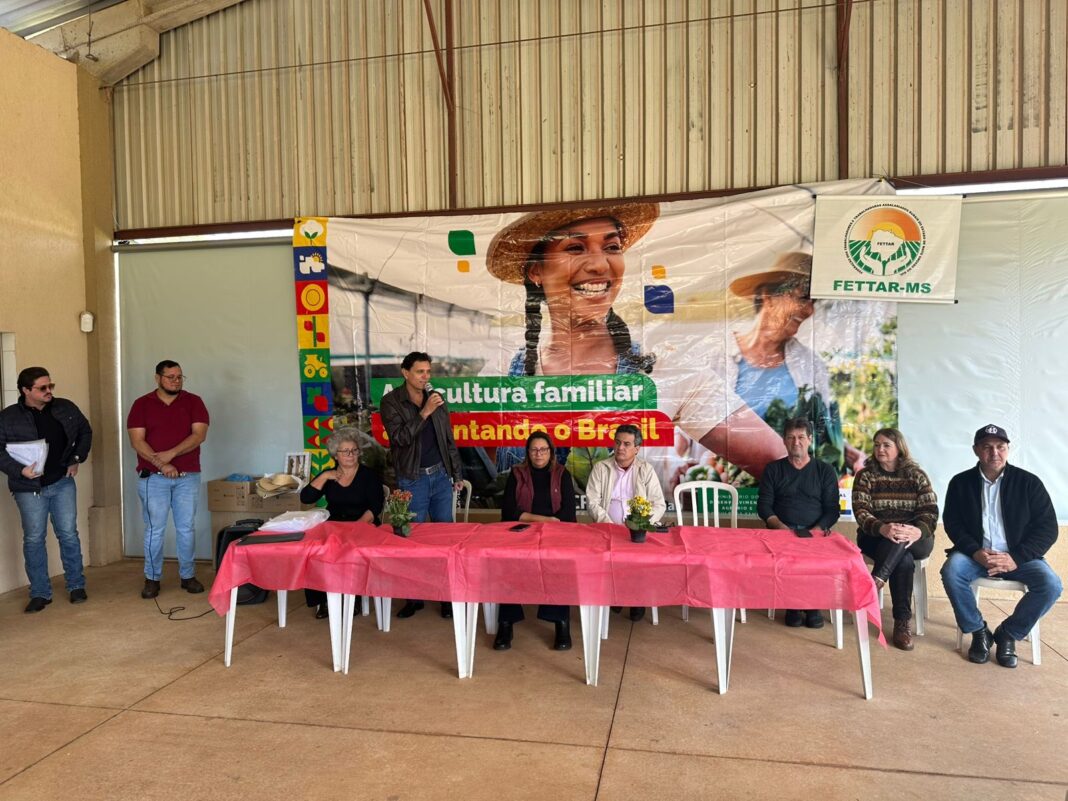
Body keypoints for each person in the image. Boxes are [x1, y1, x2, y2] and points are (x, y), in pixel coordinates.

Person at [486, 204, 788, 483]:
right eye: (575, 247)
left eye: (611, 247)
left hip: (626, 537)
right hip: (530, 539)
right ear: (536, 270)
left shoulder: (669, 371)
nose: (599, 265)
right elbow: (482, 480)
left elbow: (777, 462)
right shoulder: (499, 375)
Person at [941, 424, 1062, 668]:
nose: (994, 452)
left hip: (1019, 558)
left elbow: (1048, 528)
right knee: (951, 571)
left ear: (1008, 449)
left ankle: (1008, 634)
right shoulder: (960, 483)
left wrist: (1016, 557)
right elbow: (952, 524)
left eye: (1000, 447)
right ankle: (978, 632)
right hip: (975, 555)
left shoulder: (1029, 483)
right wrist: (975, 551)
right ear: (976, 450)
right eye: (987, 447)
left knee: (1051, 585)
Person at [379, 351, 464, 619]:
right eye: (420, 372)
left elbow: (447, 438)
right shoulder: (391, 402)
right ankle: (414, 597)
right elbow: (400, 438)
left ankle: (447, 596)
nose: (425, 377)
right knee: (411, 538)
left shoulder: (436, 399)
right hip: (412, 478)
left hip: (439, 476)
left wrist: (456, 473)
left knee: (445, 536)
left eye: (428, 372)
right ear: (405, 373)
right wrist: (424, 413)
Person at [0, 367, 92, 613]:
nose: (49, 391)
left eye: (51, 386)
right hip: (28, 487)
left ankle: (76, 586)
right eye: (42, 388)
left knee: (68, 534)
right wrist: (20, 471)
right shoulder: (8, 417)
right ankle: (40, 592)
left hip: (62, 481)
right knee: (33, 539)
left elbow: (85, 431)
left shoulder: (65, 407)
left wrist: (76, 457)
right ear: (26, 390)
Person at [126, 360, 209, 599]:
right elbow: (137, 441)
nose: (176, 381)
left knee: (186, 528)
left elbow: (199, 435)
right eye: (170, 377)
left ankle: (188, 576)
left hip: (187, 476)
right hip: (153, 478)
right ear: (157, 378)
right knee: (155, 529)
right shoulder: (142, 404)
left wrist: (171, 454)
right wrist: (162, 464)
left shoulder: (194, 402)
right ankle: (152, 578)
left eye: (180, 377)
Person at [851, 428, 938, 650]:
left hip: (917, 537)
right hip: (876, 537)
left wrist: (917, 530)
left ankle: (876, 582)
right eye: (877, 444)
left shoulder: (916, 475)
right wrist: (883, 528)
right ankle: (901, 623)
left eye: (886, 445)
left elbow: (930, 510)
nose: (880, 449)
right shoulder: (866, 475)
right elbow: (861, 511)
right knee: (903, 558)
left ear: (899, 448)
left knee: (902, 542)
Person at [494, 431, 578, 651]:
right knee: (507, 564)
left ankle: (561, 623)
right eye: (534, 449)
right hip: (522, 531)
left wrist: (551, 524)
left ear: (550, 452)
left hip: (555, 533)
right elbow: (509, 511)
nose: (538, 454)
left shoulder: (562, 474)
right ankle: (506, 623)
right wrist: (543, 519)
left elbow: (568, 514)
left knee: (558, 564)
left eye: (543, 449)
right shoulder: (517, 473)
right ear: (527, 453)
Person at [757, 417, 840, 629]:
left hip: (816, 532)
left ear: (810, 440)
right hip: (781, 533)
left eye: (801, 437)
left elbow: (832, 509)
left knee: (812, 557)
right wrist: (782, 528)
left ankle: (813, 606)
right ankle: (793, 605)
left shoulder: (825, 471)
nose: (796, 442)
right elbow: (764, 507)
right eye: (791, 438)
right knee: (788, 554)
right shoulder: (773, 470)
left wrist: (817, 530)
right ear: (784, 441)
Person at [585, 423, 666, 622]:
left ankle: (638, 600)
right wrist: (609, 524)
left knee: (639, 561)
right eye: (618, 442)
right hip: (607, 528)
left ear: (637, 449)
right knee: (607, 560)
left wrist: (641, 524)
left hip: (637, 531)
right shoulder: (601, 467)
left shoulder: (645, 470)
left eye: (627, 444)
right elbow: (592, 502)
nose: (620, 448)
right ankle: (615, 595)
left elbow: (659, 504)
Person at [300, 427, 384, 619]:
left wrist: (355, 528)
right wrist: (323, 477)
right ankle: (323, 600)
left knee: (349, 549)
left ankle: (352, 599)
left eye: (354, 450)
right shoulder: (329, 475)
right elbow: (306, 498)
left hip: (363, 524)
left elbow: (375, 507)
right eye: (345, 451)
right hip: (334, 524)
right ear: (335, 454)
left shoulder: (368, 475)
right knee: (314, 549)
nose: (350, 455)